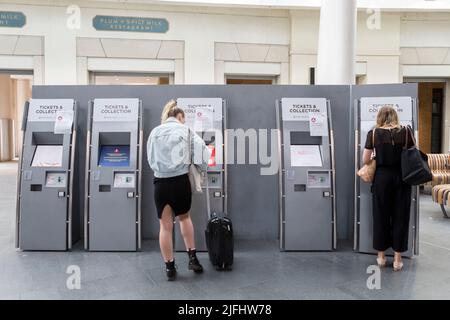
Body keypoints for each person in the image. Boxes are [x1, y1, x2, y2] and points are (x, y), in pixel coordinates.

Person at [147, 100, 211, 281]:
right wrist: (201, 168)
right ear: (180, 116)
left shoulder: (154, 132)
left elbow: (150, 159)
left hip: (160, 183)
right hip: (179, 182)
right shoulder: (186, 130)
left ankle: (169, 267)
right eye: (184, 119)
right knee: (184, 218)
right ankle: (193, 259)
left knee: (165, 227)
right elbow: (204, 153)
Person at [362, 106, 415, 271]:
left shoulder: (373, 133)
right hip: (402, 177)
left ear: (379, 117)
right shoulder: (406, 131)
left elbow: (365, 159)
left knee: (381, 214)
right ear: (395, 116)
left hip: (382, 178)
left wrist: (379, 155)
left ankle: (381, 256)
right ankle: (398, 259)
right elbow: (413, 153)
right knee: (401, 215)